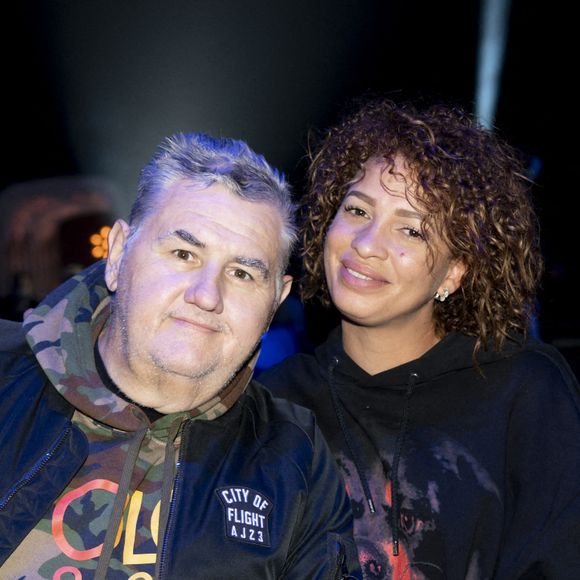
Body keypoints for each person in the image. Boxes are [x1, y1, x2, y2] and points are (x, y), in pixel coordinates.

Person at [0, 133, 361, 579]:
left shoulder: (295, 462)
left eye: (243, 273)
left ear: (275, 300)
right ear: (117, 255)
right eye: (184, 253)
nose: (207, 295)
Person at [260, 98, 580, 579]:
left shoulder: (524, 389)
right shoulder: (275, 402)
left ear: (454, 272)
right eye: (357, 209)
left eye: (411, 230)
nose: (367, 244)